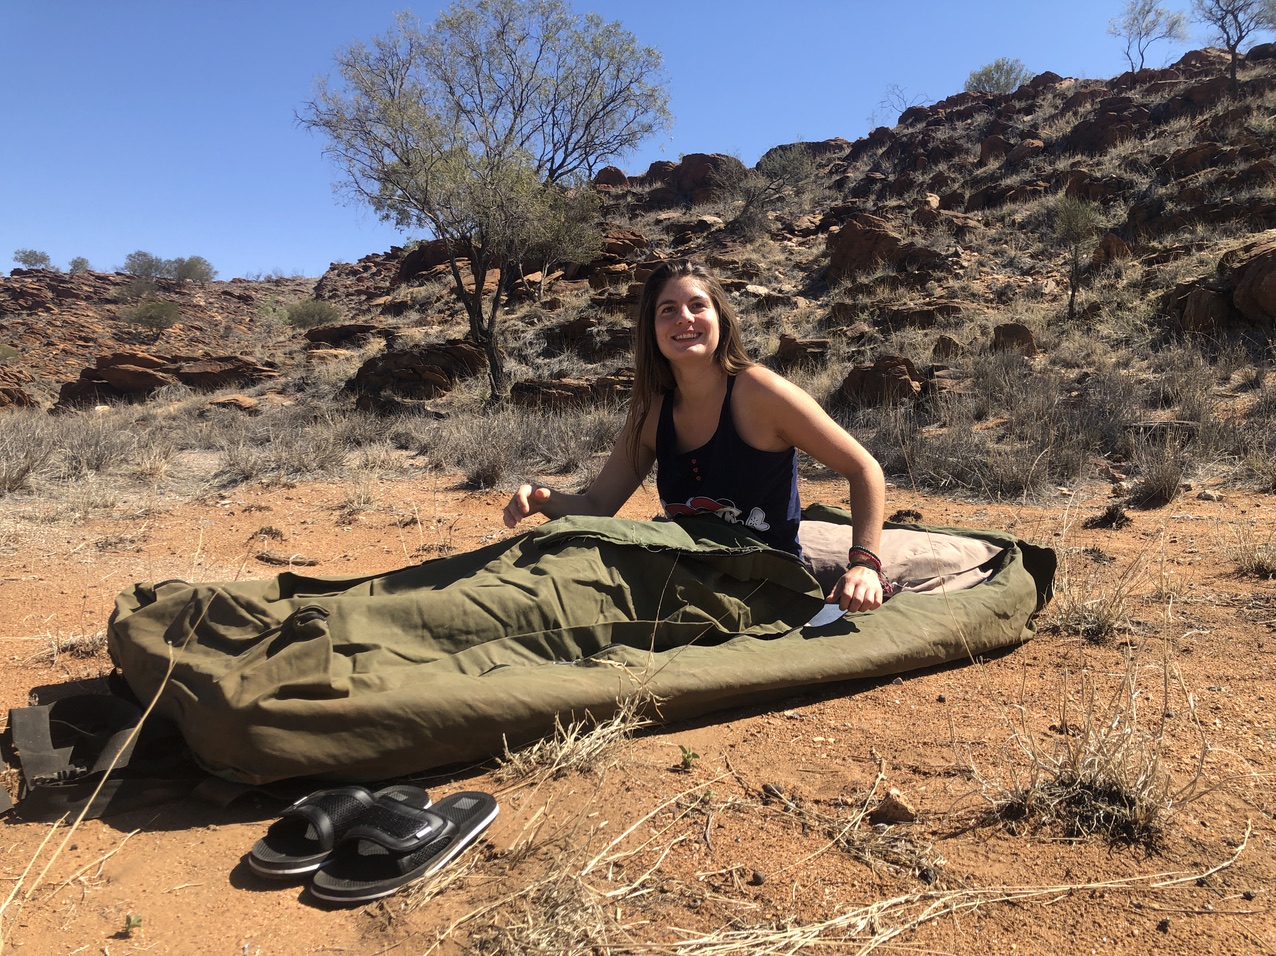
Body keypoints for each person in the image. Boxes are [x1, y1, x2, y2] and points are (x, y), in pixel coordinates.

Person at [504, 260, 888, 612]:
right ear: (652, 330)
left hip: (764, 582)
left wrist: (864, 564)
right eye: (667, 310)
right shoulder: (651, 413)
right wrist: (545, 500)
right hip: (683, 570)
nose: (683, 318)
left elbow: (864, 469)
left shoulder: (760, 393)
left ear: (720, 318)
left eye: (697, 306)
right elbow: (598, 505)